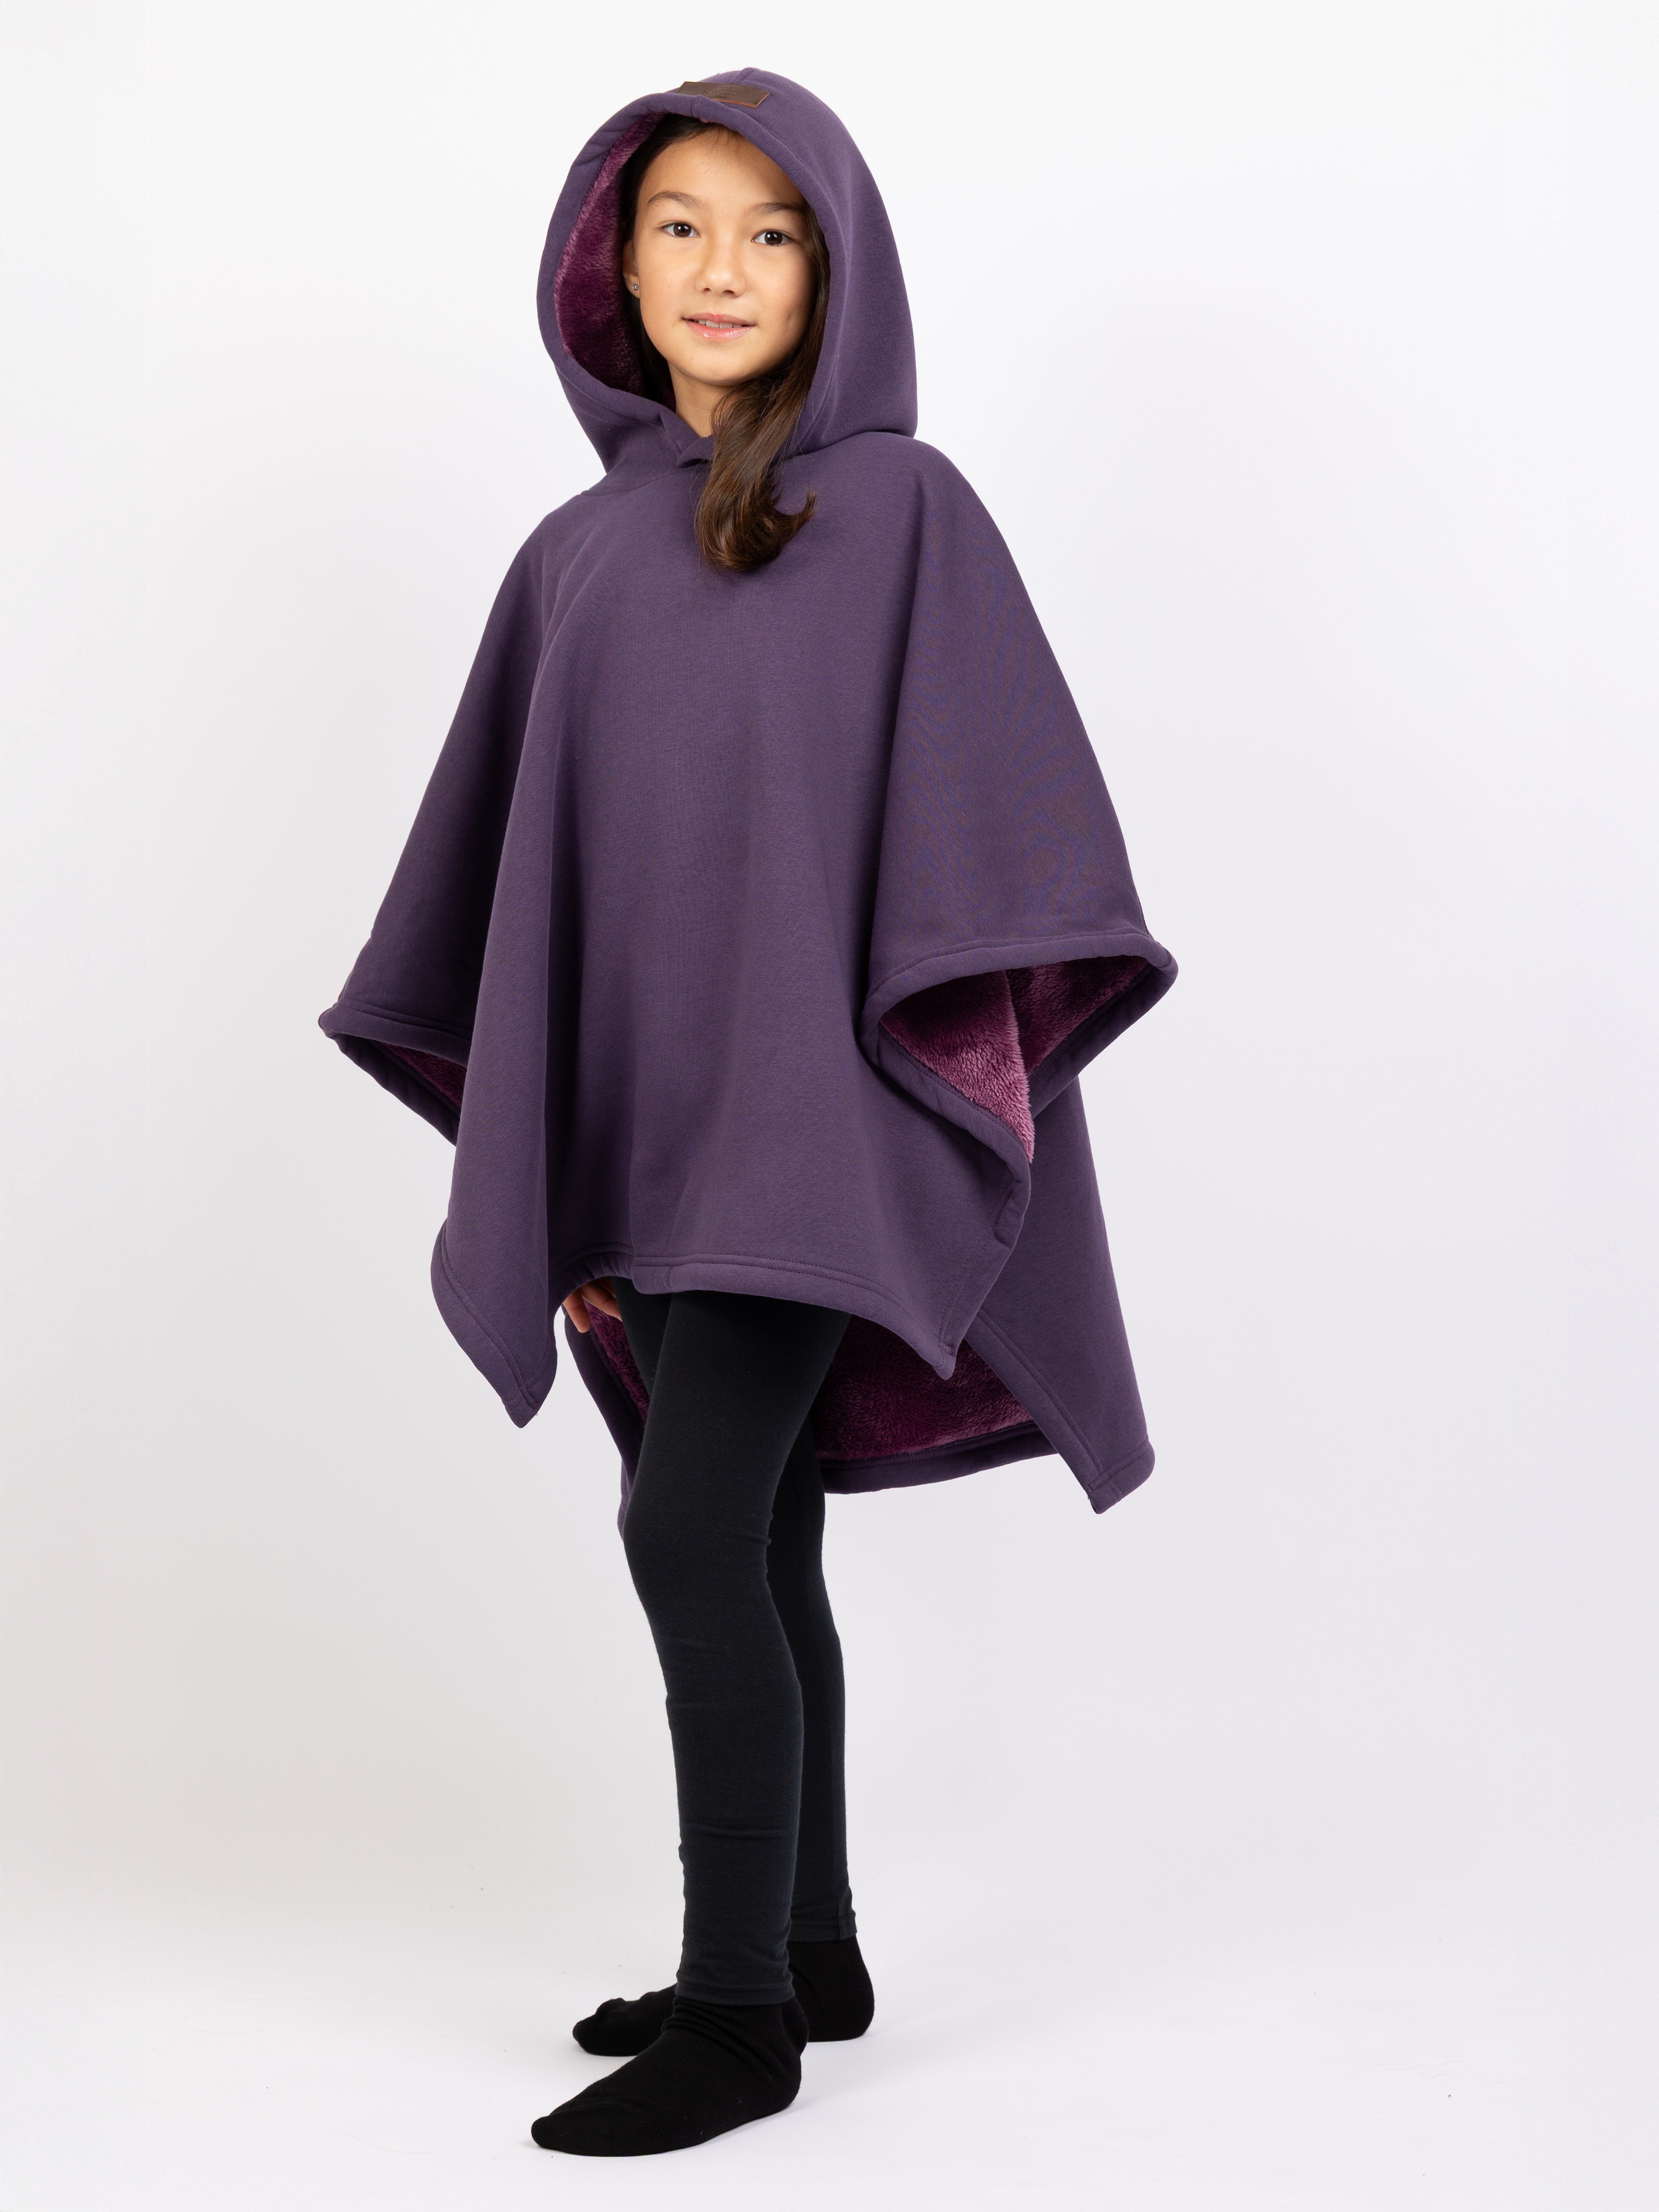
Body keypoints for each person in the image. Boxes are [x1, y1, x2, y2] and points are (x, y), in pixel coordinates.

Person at [317, 71, 1176, 2159]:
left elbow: (991, 827)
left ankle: (737, 2023)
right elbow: (547, 897)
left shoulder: (905, 515)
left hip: (826, 1126)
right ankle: (811, 1947)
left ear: (835, 269)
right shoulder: (573, 560)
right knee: (759, 1522)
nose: (722, 268)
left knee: (686, 1523)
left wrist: (905, 1082)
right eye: (679, 227)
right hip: (666, 1131)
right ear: (612, 268)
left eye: (771, 231)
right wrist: (569, 1163)